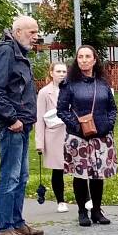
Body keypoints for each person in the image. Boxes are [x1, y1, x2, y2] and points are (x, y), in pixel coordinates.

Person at [0, 16, 44, 235]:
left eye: (36, 31)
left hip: (23, 125)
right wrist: (11, 118)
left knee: (22, 176)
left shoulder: (20, 54)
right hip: (12, 127)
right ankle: (4, 227)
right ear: (17, 32)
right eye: (31, 32)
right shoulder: (6, 52)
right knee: (10, 176)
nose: (35, 36)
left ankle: (17, 223)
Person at [57, 45, 118, 227]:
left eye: (87, 56)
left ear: (94, 60)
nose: (83, 60)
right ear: (76, 60)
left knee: (98, 175)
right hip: (78, 138)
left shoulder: (102, 83)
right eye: (80, 57)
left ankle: (97, 210)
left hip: (101, 136)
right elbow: (61, 110)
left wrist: (107, 124)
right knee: (80, 174)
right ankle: (82, 211)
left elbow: (112, 108)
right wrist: (76, 126)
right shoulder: (69, 83)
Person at [36, 62, 69, 213]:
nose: (62, 74)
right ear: (51, 73)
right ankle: (60, 200)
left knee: (78, 166)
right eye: (59, 71)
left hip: (70, 132)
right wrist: (39, 142)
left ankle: (86, 198)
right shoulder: (44, 92)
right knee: (58, 169)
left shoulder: (71, 88)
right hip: (53, 135)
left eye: (64, 71)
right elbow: (39, 118)